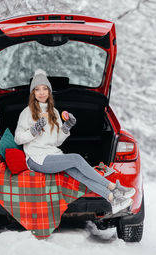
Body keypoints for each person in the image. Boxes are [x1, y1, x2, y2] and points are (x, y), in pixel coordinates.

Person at [14, 69, 135, 214]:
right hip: (36, 158)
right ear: (33, 93)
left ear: (49, 91)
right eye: (37, 89)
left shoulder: (54, 113)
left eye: (45, 89)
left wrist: (66, 126)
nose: (41, 92)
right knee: (76, 159)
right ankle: (113, 187)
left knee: (79, 173)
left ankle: (112, 199)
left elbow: (57, 141)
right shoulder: (27, 113)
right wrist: (33, 131)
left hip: (53, 154)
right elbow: (18, 138)